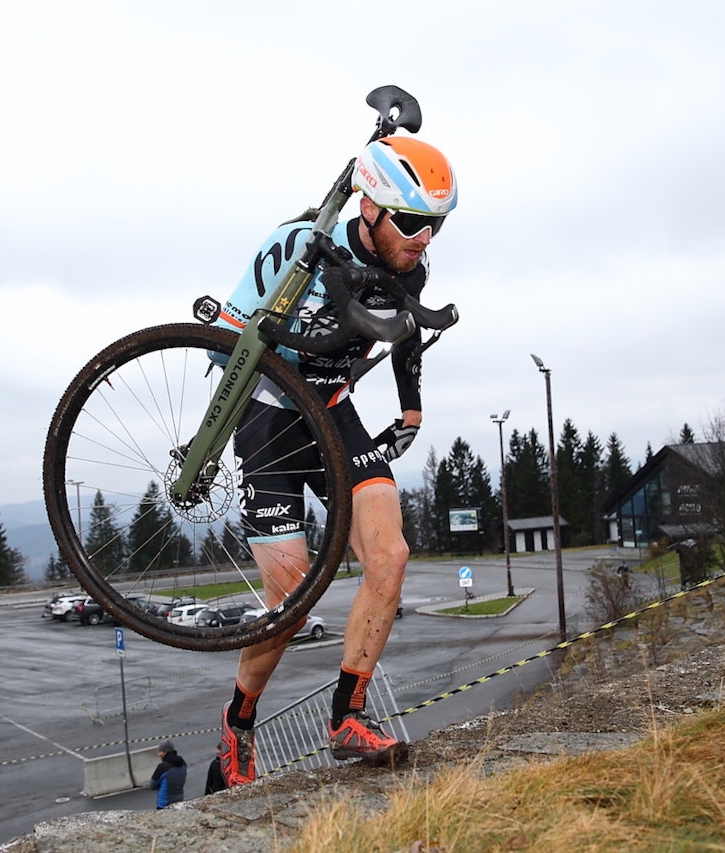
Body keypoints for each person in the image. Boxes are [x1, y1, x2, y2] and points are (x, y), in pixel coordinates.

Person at [210, 136, 458, 789]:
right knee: (289, 593)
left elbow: (407, 332)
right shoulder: (300, 245)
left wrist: (410, 409)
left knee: (391, 555)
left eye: (435, 224)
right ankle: (237, 723)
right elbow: (229, 343)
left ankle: (347, 717)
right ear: (371, 208)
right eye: (411, 222)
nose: (424, 237)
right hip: (268, 411)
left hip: (332, 410)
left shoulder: (410, 266)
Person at [149, 740, 187, 808]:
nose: (158, 754)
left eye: (160, 751)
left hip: (164, 804)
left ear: (165, 752)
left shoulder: (162, 767)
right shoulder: (183, 764)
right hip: (180, 801)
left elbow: (152, 786)